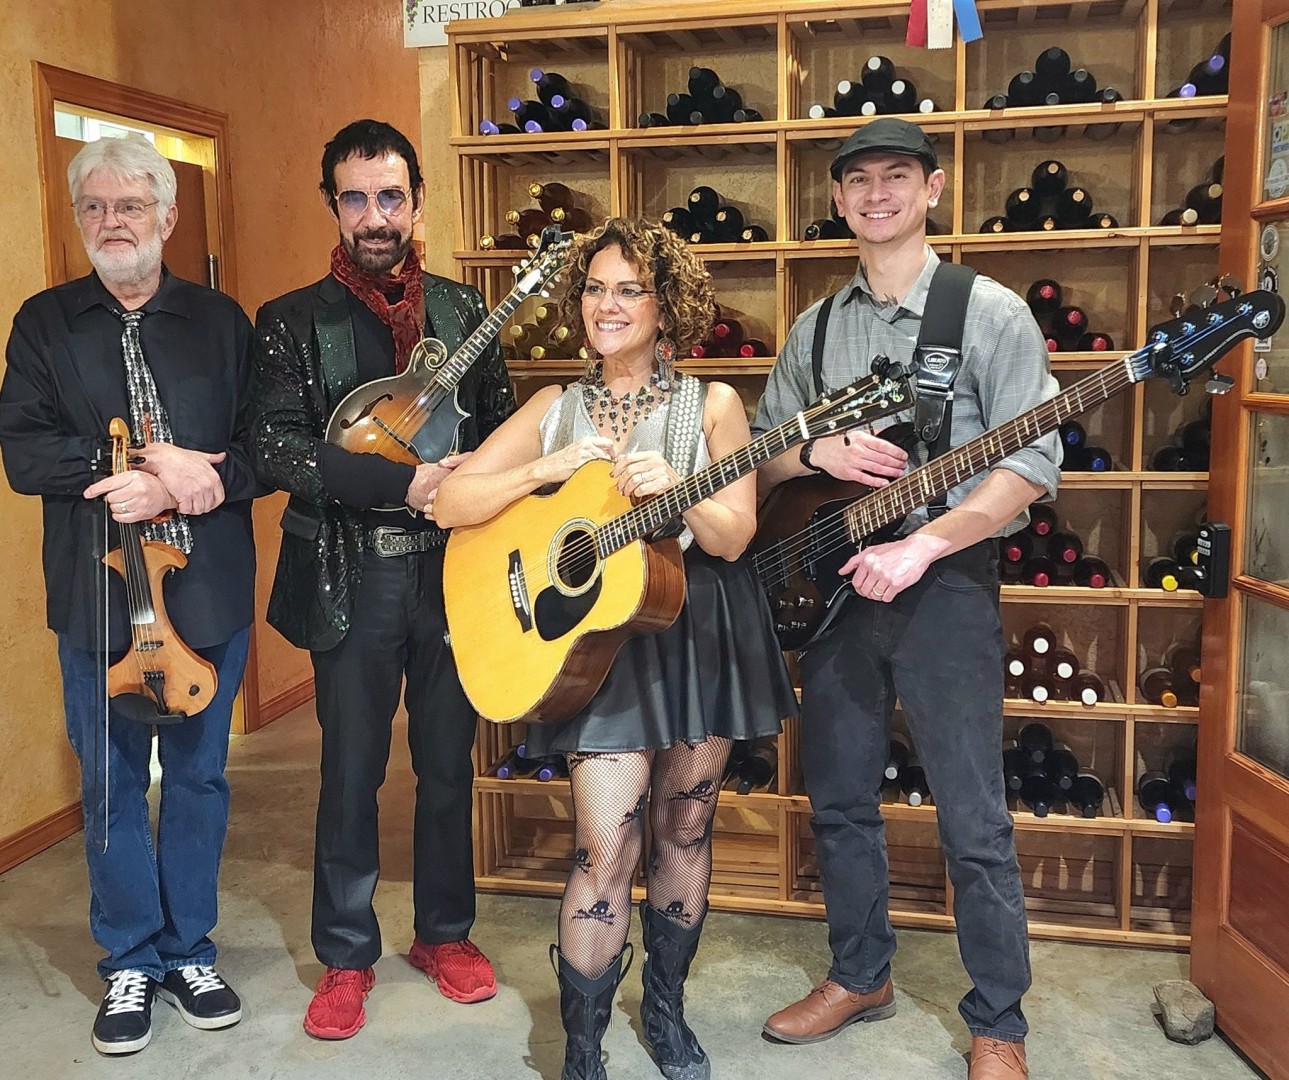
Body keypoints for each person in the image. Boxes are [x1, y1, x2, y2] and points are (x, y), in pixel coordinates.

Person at [435, 218, 797, 1080]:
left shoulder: (712, 404)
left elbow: (734, 534)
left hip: (696, 631)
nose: (607, 304)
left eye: (629, 289)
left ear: (664, 307)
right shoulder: (552, 407)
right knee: (603, 844)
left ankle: (664, 1009)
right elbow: (450, 503)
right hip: (596, 650)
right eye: (595, 288)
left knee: (684, 828)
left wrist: (682, 489)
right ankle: (583, 1046)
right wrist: (542, 471)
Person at [753, 118, 1061, 1080]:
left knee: (973, 818)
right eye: (858, 180)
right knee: (840, 798)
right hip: (834, 587)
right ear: (837, 199)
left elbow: (1029, 463)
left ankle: (998, 1021)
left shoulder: (989, 312)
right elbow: (758, 457)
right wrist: (815, 450)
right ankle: (860, 975)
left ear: (932, 189)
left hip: (945, 585)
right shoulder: (815, 326)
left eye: (896, 176)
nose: (876, 193)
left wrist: (923, 543)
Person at [250, 119, 513, 1040]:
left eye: (390, 196)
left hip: (453, 572)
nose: (374, 216)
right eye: (355, 197)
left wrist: (480, 472)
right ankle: (345, 954)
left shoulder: (464, 312)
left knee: (446, 764)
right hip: (348, 573)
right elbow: (276, 448)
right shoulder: (292, 320)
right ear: (333, 204)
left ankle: (444, 934)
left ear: (416, 200)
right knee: (351, 772)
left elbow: (503, 426)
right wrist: (405, 482)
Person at [0, 134, 258, 1055]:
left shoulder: (222, 322)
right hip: (97, 595)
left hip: (206, 593)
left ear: (168, 216)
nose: (113, 222)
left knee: (198, 775)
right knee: (110, 784)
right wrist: (146, 469)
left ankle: (190, 950)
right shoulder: (43, 322)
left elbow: (260, 451)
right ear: (80, 219)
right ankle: (130, 961)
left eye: (131, 205)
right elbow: (25, 452)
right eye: (96, 208)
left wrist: (199, 483)